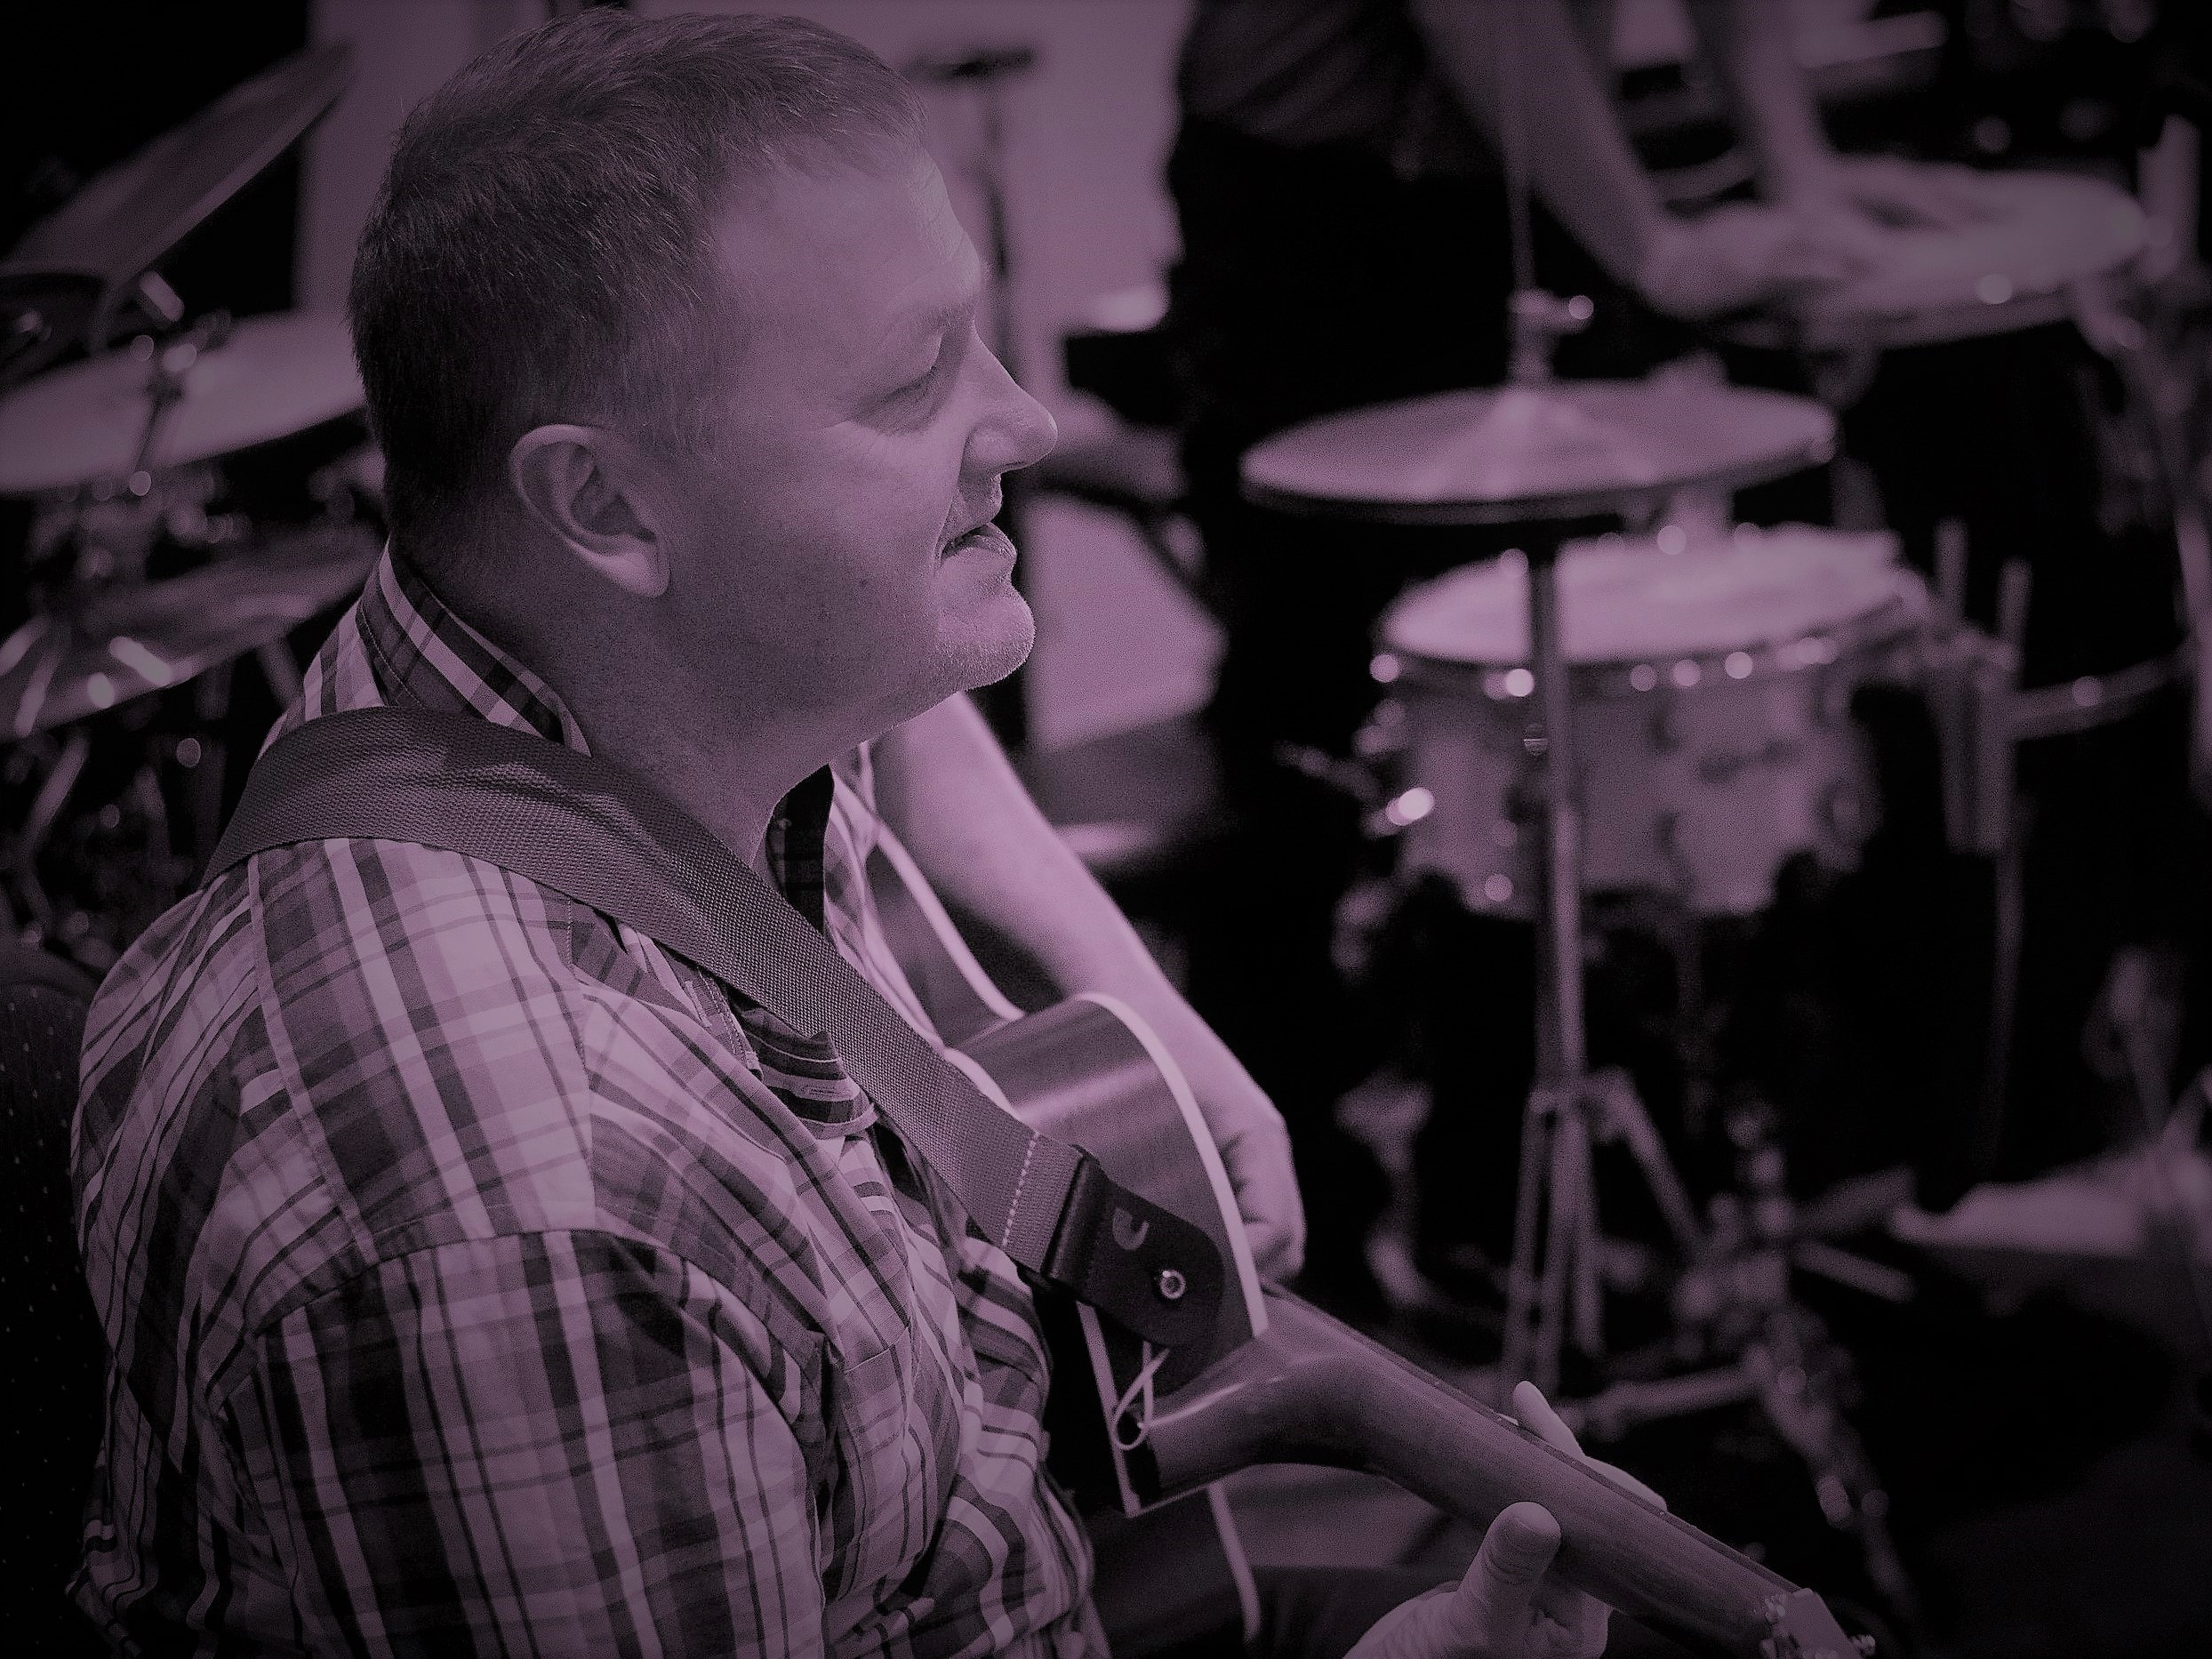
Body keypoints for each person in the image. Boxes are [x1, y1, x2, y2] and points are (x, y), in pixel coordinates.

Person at [70, 13, 1669, 1657]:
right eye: (916, 381)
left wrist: (1145, 1017)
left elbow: (903, 706)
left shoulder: (593, 660)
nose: (1028, 423)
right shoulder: (530, 1217)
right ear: (607, 506)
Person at [1164, 0, 1988, 1303]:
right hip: (1322, 220)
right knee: (1323, 723)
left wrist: (1806, 183)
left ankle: (1582, 1213)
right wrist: (1655, 249)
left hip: (1503, 188)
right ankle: (1301, 1246)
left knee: (1578, 723)